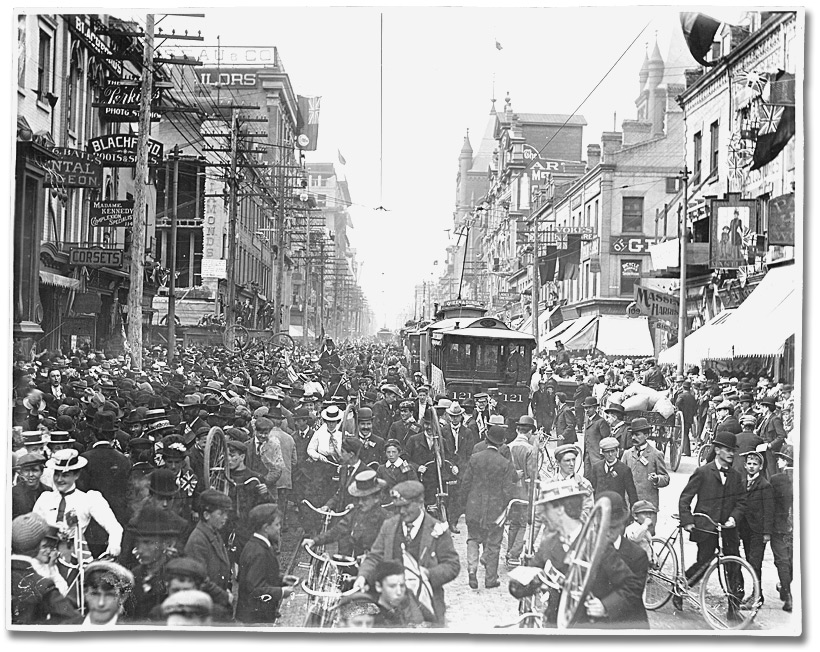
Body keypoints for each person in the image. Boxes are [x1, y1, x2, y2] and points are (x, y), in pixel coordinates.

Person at [508, 479, 645, 629]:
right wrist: (519, 585)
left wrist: (605, 606)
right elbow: (526, 582)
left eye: (546, 510)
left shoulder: (596, 544)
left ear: (560, 510)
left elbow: (632, 586)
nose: (542, 516)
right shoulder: (549, 543)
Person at [354, 480, 460, 627]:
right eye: (398, 508)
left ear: (420, 502)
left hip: (426, 606)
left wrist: (428, 574)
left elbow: (452, 565)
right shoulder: (389, 526)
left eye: (406, 506)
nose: (402, 512)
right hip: (392, 606)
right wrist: (362, 576)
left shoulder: (437, 529)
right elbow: (375, 556)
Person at [677, 431, 747, 618]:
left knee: (734, 566)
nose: (731, 454)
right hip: (706, 528)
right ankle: (679, 588)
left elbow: (742, 501)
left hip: (728, 530)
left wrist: (734, 518)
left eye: (733, 450)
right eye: (727, 450)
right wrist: (688, 520)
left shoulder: (736, 475)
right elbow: (685, 498)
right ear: (717, 450)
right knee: (704, 563)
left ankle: (734, 608)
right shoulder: (703, 472)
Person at [32, 449, 123, 561]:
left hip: (74, 558)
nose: (59, 479)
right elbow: (32, 528)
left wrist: (114, 544)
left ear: (76, 475)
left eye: (65, 475)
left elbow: (114, 527)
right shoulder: (45, 498)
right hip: (45, 555)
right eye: (57, 474)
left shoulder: (88, 499)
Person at [461, 425, 519, 590]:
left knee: (472, 539)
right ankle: (490, 579)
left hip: (474, 507)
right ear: (501, 444)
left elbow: (465, 484)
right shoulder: (505, 463)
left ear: (486, 439)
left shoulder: (475, 458)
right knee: (493, 543)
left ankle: (472, 571)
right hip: (495, 510)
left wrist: (464, 504)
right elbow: (508, 491)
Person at [10, 512, 79, 625]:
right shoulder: (42, 585)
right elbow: (72, 619)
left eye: (51, 546)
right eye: (44, 546)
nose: (49, 550)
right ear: (37, 545)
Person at [304, 470, 390, 558]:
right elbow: (338, 530)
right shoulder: (357, 513)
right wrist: (314, 541)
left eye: (364, 499)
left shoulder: (386, 519)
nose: (360, 503)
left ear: (376, 498)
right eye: (358, 499)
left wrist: (371, 557)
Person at [236, 504, 295, 624]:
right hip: (255, 619)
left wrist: (282, 579)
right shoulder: (259, 552)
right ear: (266, 528)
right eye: (277, 524)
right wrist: (281, 592)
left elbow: (262, 576)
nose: (279, 528)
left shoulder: (258, 545)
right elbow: (255, 589)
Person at [736, 447, 774, 608]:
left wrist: (767, 532)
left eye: (755, 464)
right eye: (749, 463)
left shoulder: (764, 485)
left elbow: (769, 509)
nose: (751, 466)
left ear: (760, 467)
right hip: (746, 530)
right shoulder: (743, 483)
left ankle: (757, 596)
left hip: (758, 531)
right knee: (749, 561)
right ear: (745, 466)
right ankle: (755, 594)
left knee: (755, 562)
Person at [184, 490, 233, 593]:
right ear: (206, 515)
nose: (225, 517)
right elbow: (200, 580)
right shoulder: (198, 541)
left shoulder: (214, 534)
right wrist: (223, 596)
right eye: (221, 514)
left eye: (226, 513)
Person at [506, 416, 537, 566]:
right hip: (525, 492)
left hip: (511, 491)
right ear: (530, 432)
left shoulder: (509, 447)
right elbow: (532, 475)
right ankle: (514, 554)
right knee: (524, 524)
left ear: (518, 430)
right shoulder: (530, 449)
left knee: (513, 523)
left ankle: (508, 551)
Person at [619, 417, 669, 511]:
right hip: (629, 504)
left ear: (646, 435)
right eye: (632, 435)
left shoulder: (656, 454)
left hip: (648, 504)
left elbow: (665, 478)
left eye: (637, 435)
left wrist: (657, 479)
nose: (634, 438)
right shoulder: (627, 454)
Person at [371, 560, 434, 628]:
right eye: (392, 586)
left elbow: (433, 622)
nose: (399, 592)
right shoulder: (371, 619)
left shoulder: (407, 602)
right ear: (378, 587)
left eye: (402, 586)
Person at [769, 444, 794, 612]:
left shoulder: (776, 479)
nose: (778, 461)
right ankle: (786, 590)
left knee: (782, 561)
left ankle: (788, 594)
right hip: (795, 527)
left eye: (780, 459)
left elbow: (769, 504)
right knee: (791, 561)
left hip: (779, 527)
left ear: (785, 461)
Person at [74, 560, 135, 627]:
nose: (101, 603)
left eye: (109, 595)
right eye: (95, 594)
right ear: (85, 593)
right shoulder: (67, 627)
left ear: (123, 597)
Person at [589, 437, 638, 511]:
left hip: (617, 511)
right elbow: (592, 489)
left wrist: (633, 512)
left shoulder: (624, 469)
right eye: (607, 452)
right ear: (602, 452)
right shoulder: (596, 467)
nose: (610, 454)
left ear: (617, 451)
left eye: (613, 451)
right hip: (600, 509)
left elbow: (632, 493)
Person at [755, 395, 788, 478]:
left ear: (767, 408)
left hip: (770, 451)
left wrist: (770, 445)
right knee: (764, 473)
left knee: (771, 473)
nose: (761, 409)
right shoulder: (764, 419)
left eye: (762, 407)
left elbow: (782, 436)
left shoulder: (775, 419)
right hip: (763, 450)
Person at [12, 452, 51, 519]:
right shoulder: (13, 493)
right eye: (26, 471)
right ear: (21, 473)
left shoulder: (48, 491)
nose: (30, 475)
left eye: (35, 470)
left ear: (41, 472)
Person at [581, 396, 610, 480]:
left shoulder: (601, 422)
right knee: (586, 478)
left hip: (597, 457)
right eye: (585, 408)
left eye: (589, 408)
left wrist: (602, 455)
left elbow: (606, 440)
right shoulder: (587, 421)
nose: (587, 410)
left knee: (597, 479)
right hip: (587, 456)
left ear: (595, 408)